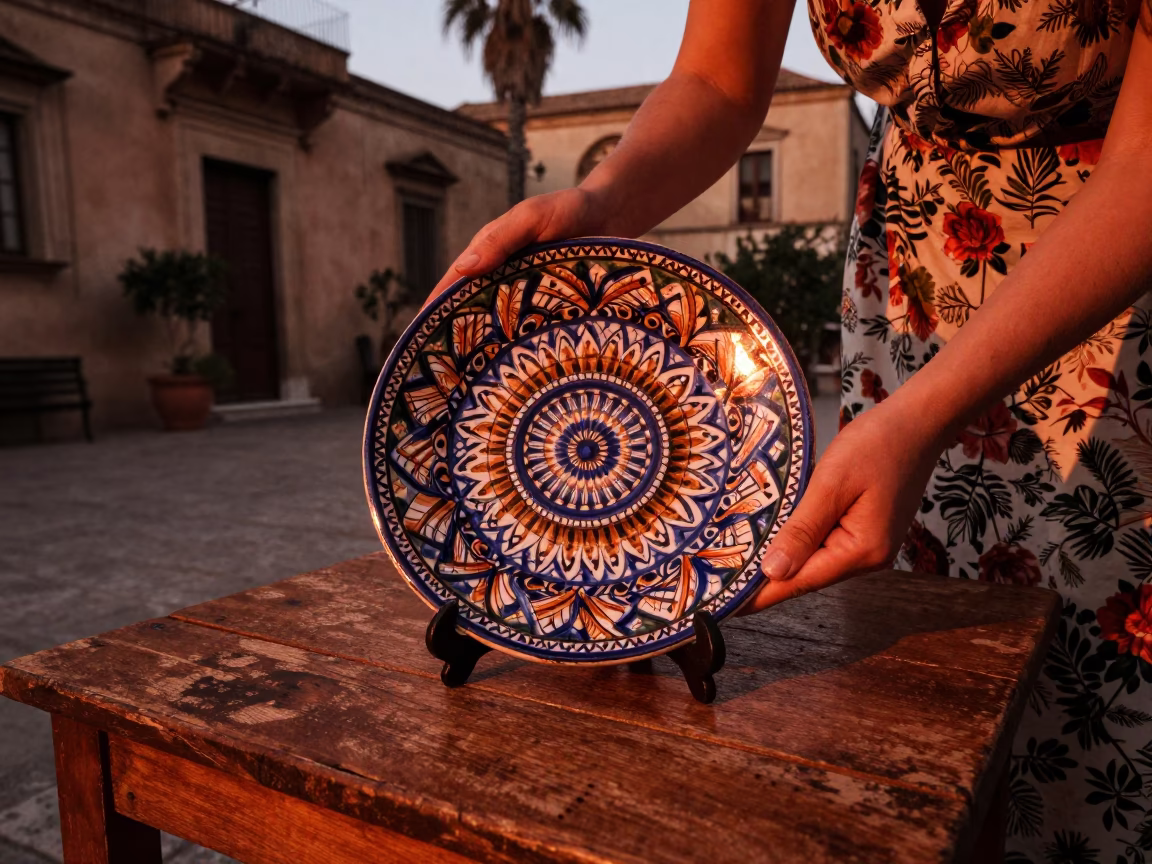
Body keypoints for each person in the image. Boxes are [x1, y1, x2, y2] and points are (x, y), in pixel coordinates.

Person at [429, 0, 1152, 857]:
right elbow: (717, 80)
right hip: (906, 303)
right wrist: (600, 200)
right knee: (928, 699)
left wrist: (922, 416)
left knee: (1094, 712)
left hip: (1105, 308)